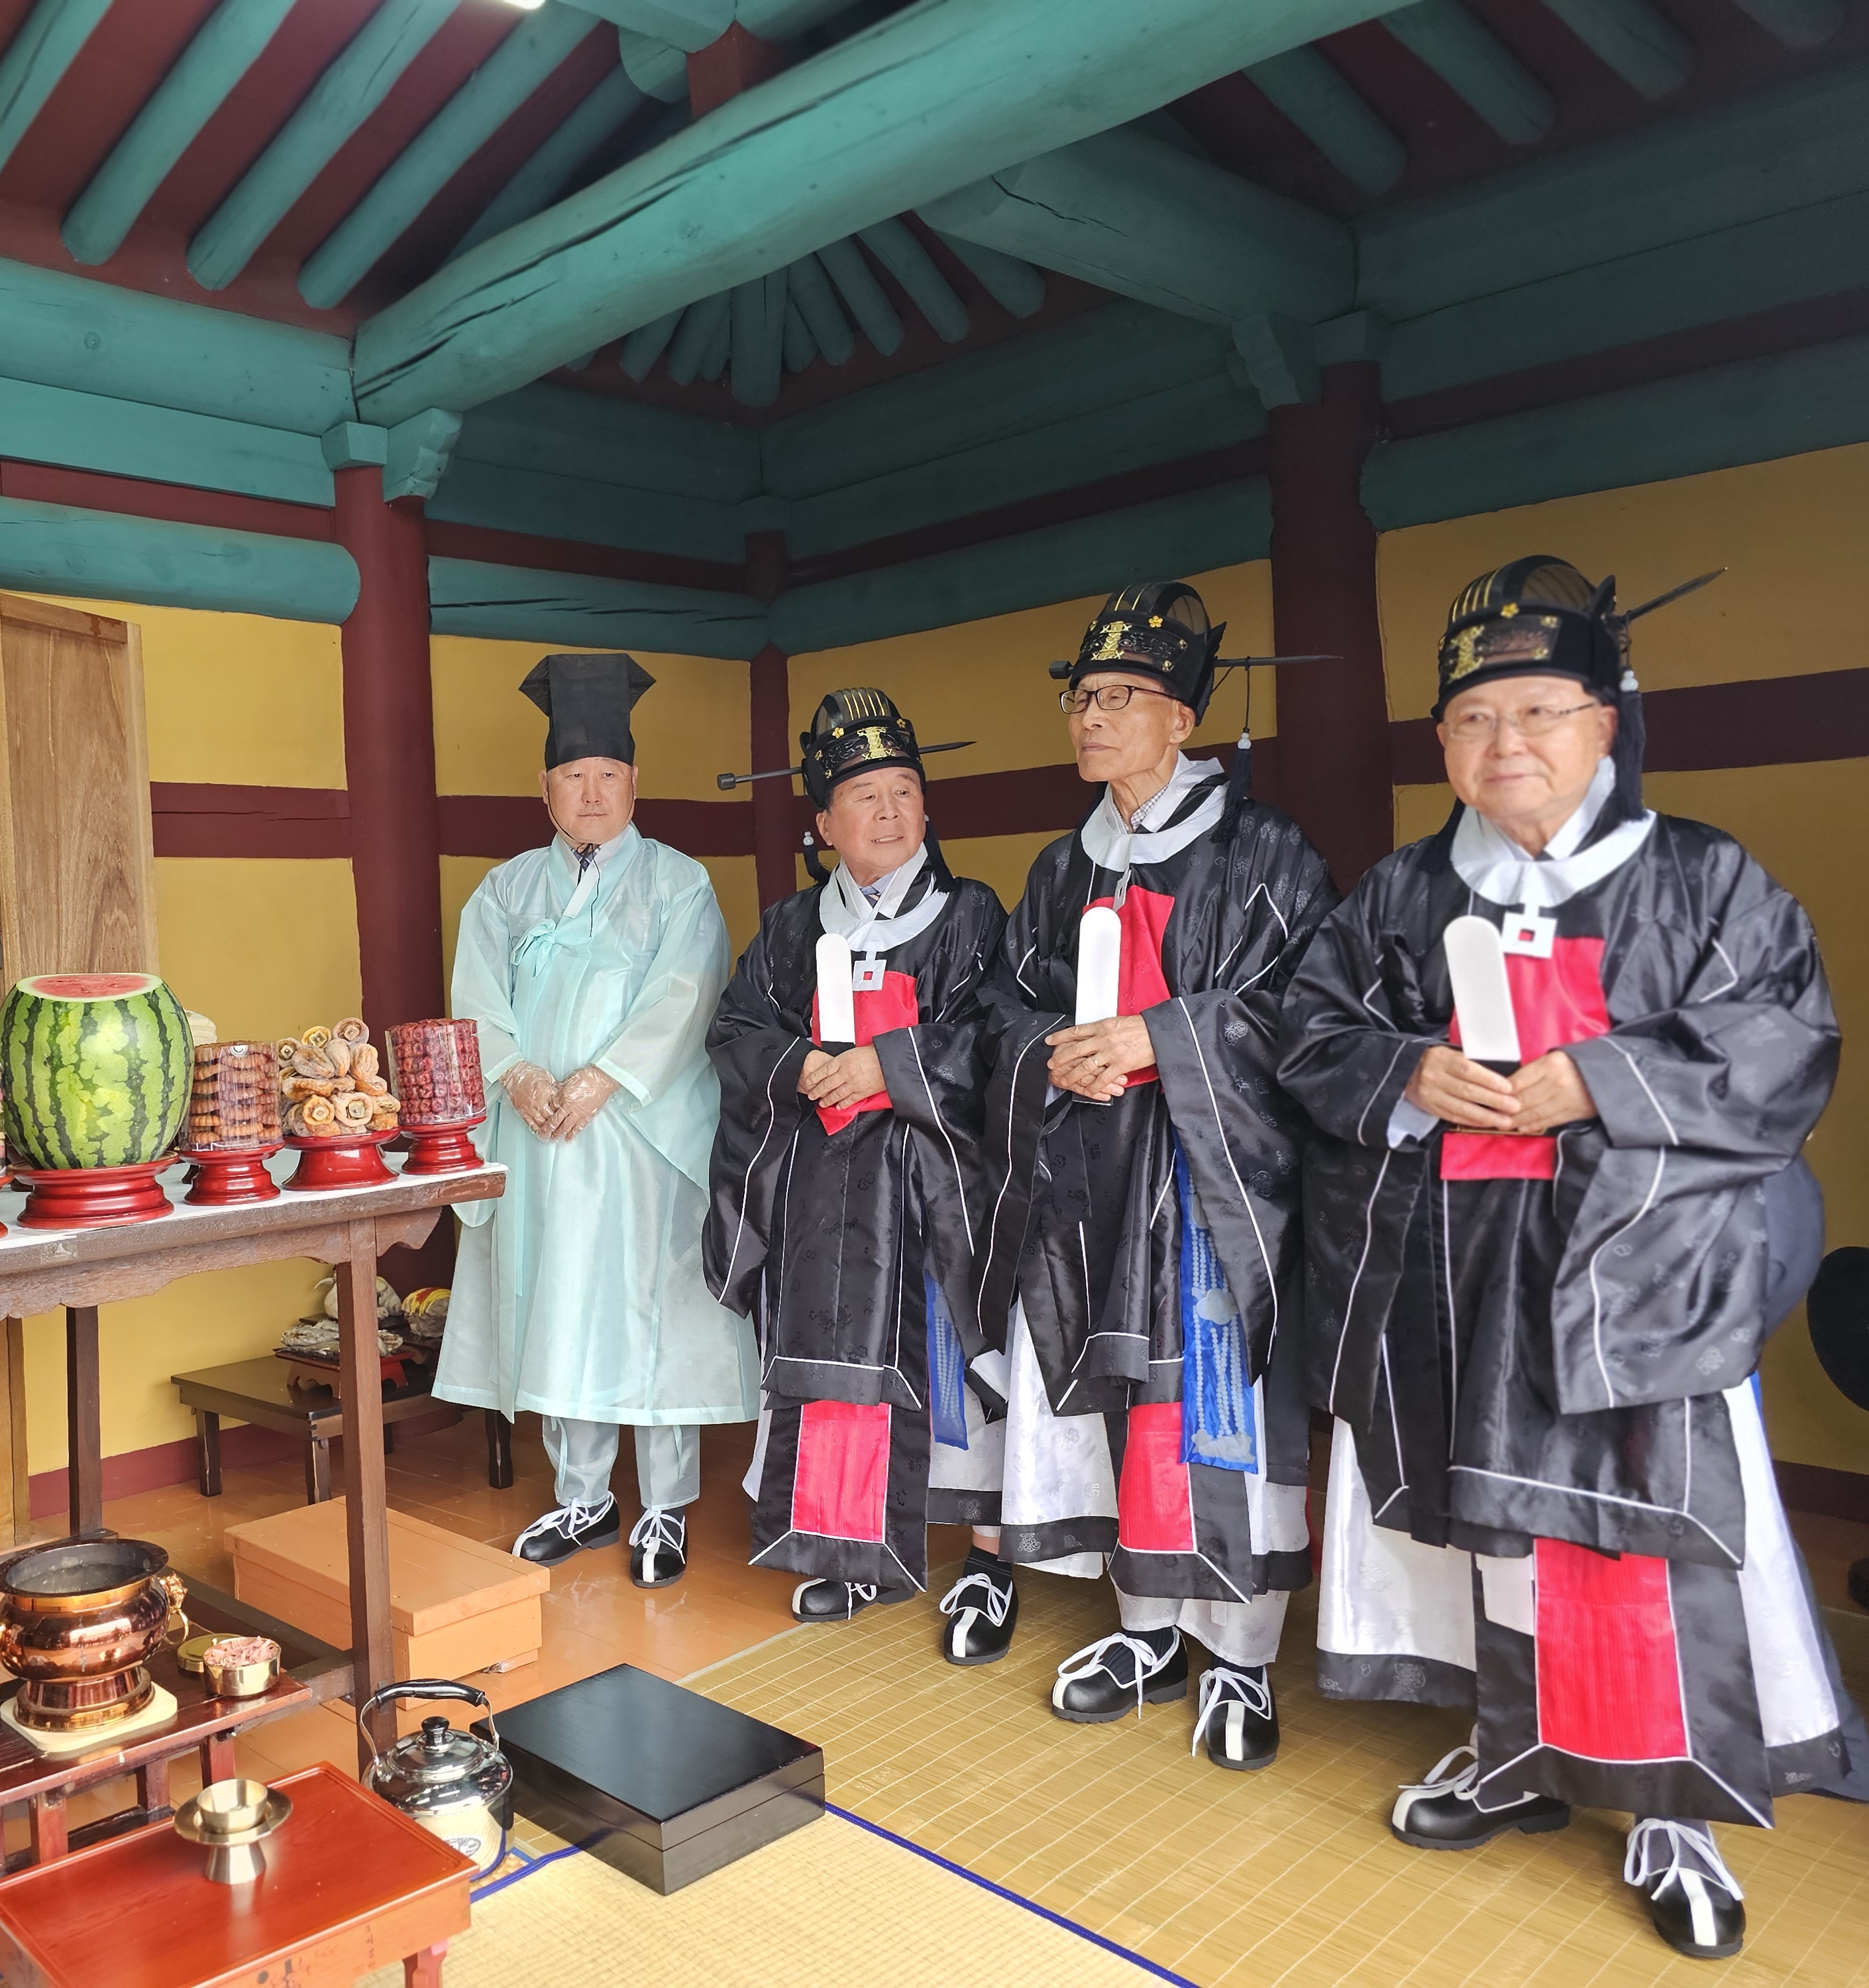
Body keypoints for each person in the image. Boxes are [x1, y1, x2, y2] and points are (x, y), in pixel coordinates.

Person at [1278, 557, 1848, 1960]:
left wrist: (1598, 1079)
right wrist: (1407, 1070)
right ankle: (1513, 1751)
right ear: (1441, 744)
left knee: (1637, 1539)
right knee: (1492, 1531)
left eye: (1539, 710)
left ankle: (1670, 1807)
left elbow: (1785, 1040)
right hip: (1455, 1267)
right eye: (1475, 719)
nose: (1506, 743)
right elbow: (1308, 1030)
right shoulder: (1404, 892)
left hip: (1638, 1279)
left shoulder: (1702, 878)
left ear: (1606, 721)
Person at [947, 583, 1338, 1773]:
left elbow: (1308, 1010)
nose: (1091, 717)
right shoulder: (1063, 867)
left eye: (1120, 697)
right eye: (1081, 698)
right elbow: (1002, 1005)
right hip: (1090, 1181)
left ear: (1183, 719)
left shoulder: (1266, 853)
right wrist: (1049, 1050)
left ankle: (1241, 1653)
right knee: (1120, 1399)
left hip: (1211, 1184)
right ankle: (1145, 1626)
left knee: (1213, 1409)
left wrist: (1161, 1038)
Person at [437, 652, 758, 1588]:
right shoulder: (506, 890)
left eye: (607, 776)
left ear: (634, 784)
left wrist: (602, 1080)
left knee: (651, 1317)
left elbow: (686, 994)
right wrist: (516, 1074)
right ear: (543, 789)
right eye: (573, 777)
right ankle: (581, 1496)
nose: (591, 793)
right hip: (537, 1134)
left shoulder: (678, 882)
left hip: (637, 1137)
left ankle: (664, 1506)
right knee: (558, 1307)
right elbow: (475, 1000)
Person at [706, 689, 1006, 1621]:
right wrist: (800, 1066)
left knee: (955, 1357)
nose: (889, 812)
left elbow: (996, 1034)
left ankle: (988, 1556)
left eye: (905, 792)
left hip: (932, 1182)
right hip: (821, 1188)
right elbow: (737, 1030)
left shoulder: (969, 914)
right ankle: (846, 1545)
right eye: (865, 796)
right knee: (832, 1358)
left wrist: (890, 1065)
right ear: (824, 824)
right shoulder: (791, 928)